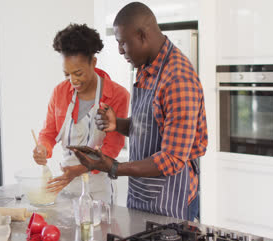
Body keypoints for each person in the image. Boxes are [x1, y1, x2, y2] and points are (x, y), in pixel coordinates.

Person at [69, 2, 208, 221]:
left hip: (172, 201)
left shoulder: (178, 79)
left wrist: (114, 167)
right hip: (143, 195)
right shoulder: (146, 67)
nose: (120, 50)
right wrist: (119, 124)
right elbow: (153, 124)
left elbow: (172, 159)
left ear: (142, 35)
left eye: (122, 42)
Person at [33, 24, 130, 204]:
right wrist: (43, 148)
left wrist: (79, 169)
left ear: (93, 63)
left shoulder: (117, 95)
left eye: (78, 73)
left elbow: (112, 147)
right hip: (66, 184)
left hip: (99, 186)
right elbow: (49, 133)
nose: (73, 80)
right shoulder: (60, 92)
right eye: (67, 74)